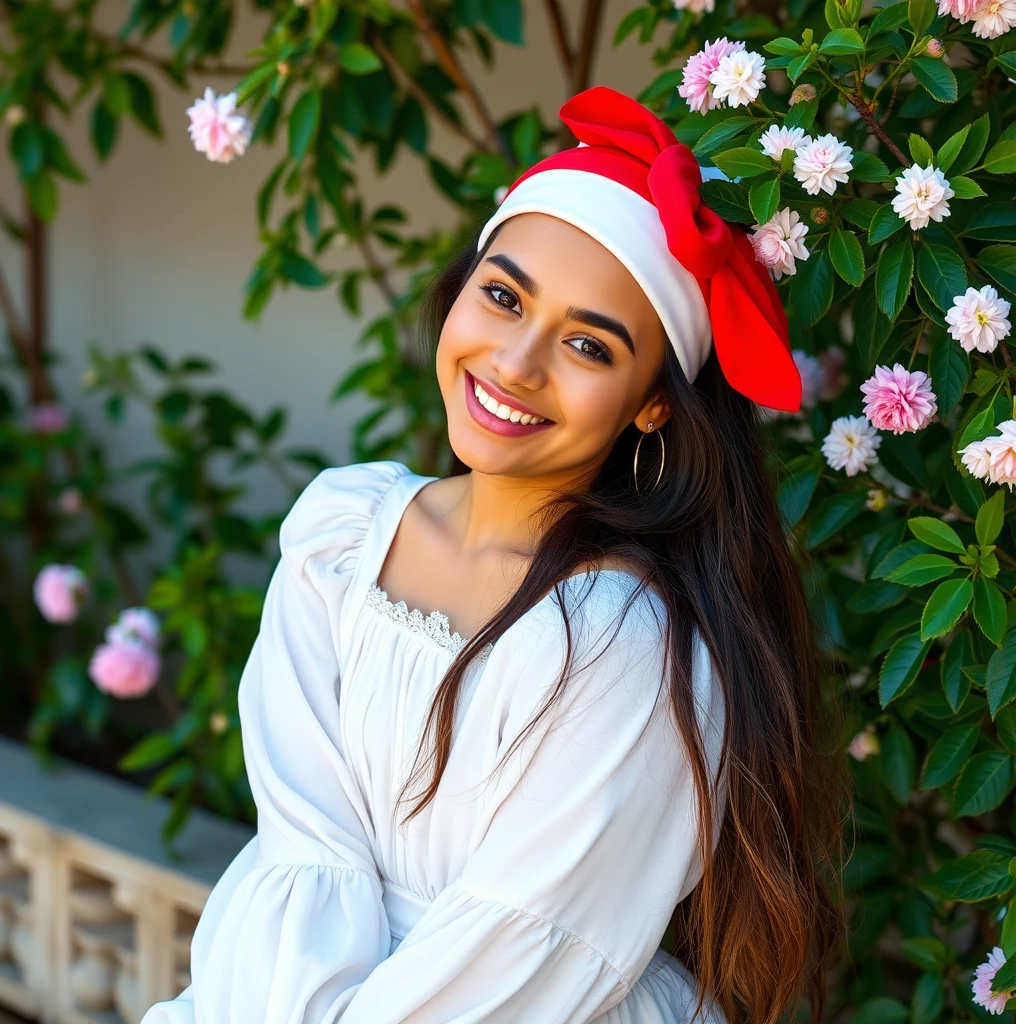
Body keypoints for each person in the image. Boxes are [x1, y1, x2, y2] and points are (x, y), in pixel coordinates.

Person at [142, 85, 842, 1024]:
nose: (515, 361)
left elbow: (521, 953)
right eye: (504, 295)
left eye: (589, 346)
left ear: (653, 402)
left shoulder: (626, 646)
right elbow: (302, 849)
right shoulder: (341, 539)